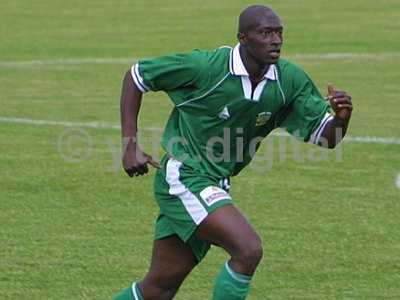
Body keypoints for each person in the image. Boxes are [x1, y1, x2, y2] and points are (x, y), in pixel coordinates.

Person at [114, 4, 353, 300]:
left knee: (158, 288)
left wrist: (342, 117)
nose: (275, 40)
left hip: (214, 182)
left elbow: (326, 138)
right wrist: (129, 145)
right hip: (185, 177)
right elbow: (137, 76)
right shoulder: (206, 67)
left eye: (279, 33)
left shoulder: (288, 80)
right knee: (248, 249)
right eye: (265, 33)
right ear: (243, 37)